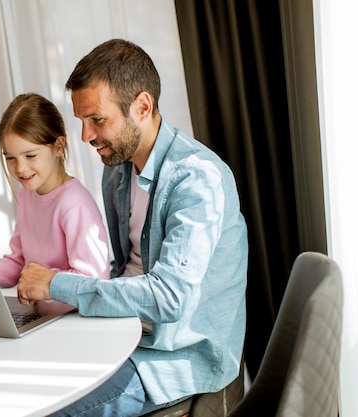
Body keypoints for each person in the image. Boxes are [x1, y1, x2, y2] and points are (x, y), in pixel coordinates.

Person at [17, 40, 248, 416]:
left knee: (50, 411)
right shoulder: (118, 174)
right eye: (81, 121)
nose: (85, 136)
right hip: (123, 334)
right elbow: (121, 270)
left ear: (142, 106)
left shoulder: (197, 179)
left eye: (97, 120)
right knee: (23, 384)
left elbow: (169, 297)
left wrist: (55, 283)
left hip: (173, 357)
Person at [0, 93, 110, 288]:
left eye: (30, 155)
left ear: (58, 147)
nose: (20, 168)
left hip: (75, 317)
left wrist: (44, 283)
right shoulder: (27, 195)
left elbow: (93, 281)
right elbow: (20, 261)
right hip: (45, 315)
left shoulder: (74, 204)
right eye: (10, 158)